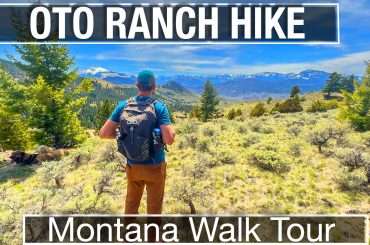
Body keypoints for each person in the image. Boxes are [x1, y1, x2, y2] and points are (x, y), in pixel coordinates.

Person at [99, 70, 175, 214]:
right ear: (154, 86)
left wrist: (123, 136)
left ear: (137, 85)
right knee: (154, 207)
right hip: (155, 166)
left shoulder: (123, 105)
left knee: (131, 203)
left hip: (133, 165)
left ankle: (129, 234)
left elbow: (103, 134)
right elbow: (169, 140)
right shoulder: (159, 107)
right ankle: (152, 236)